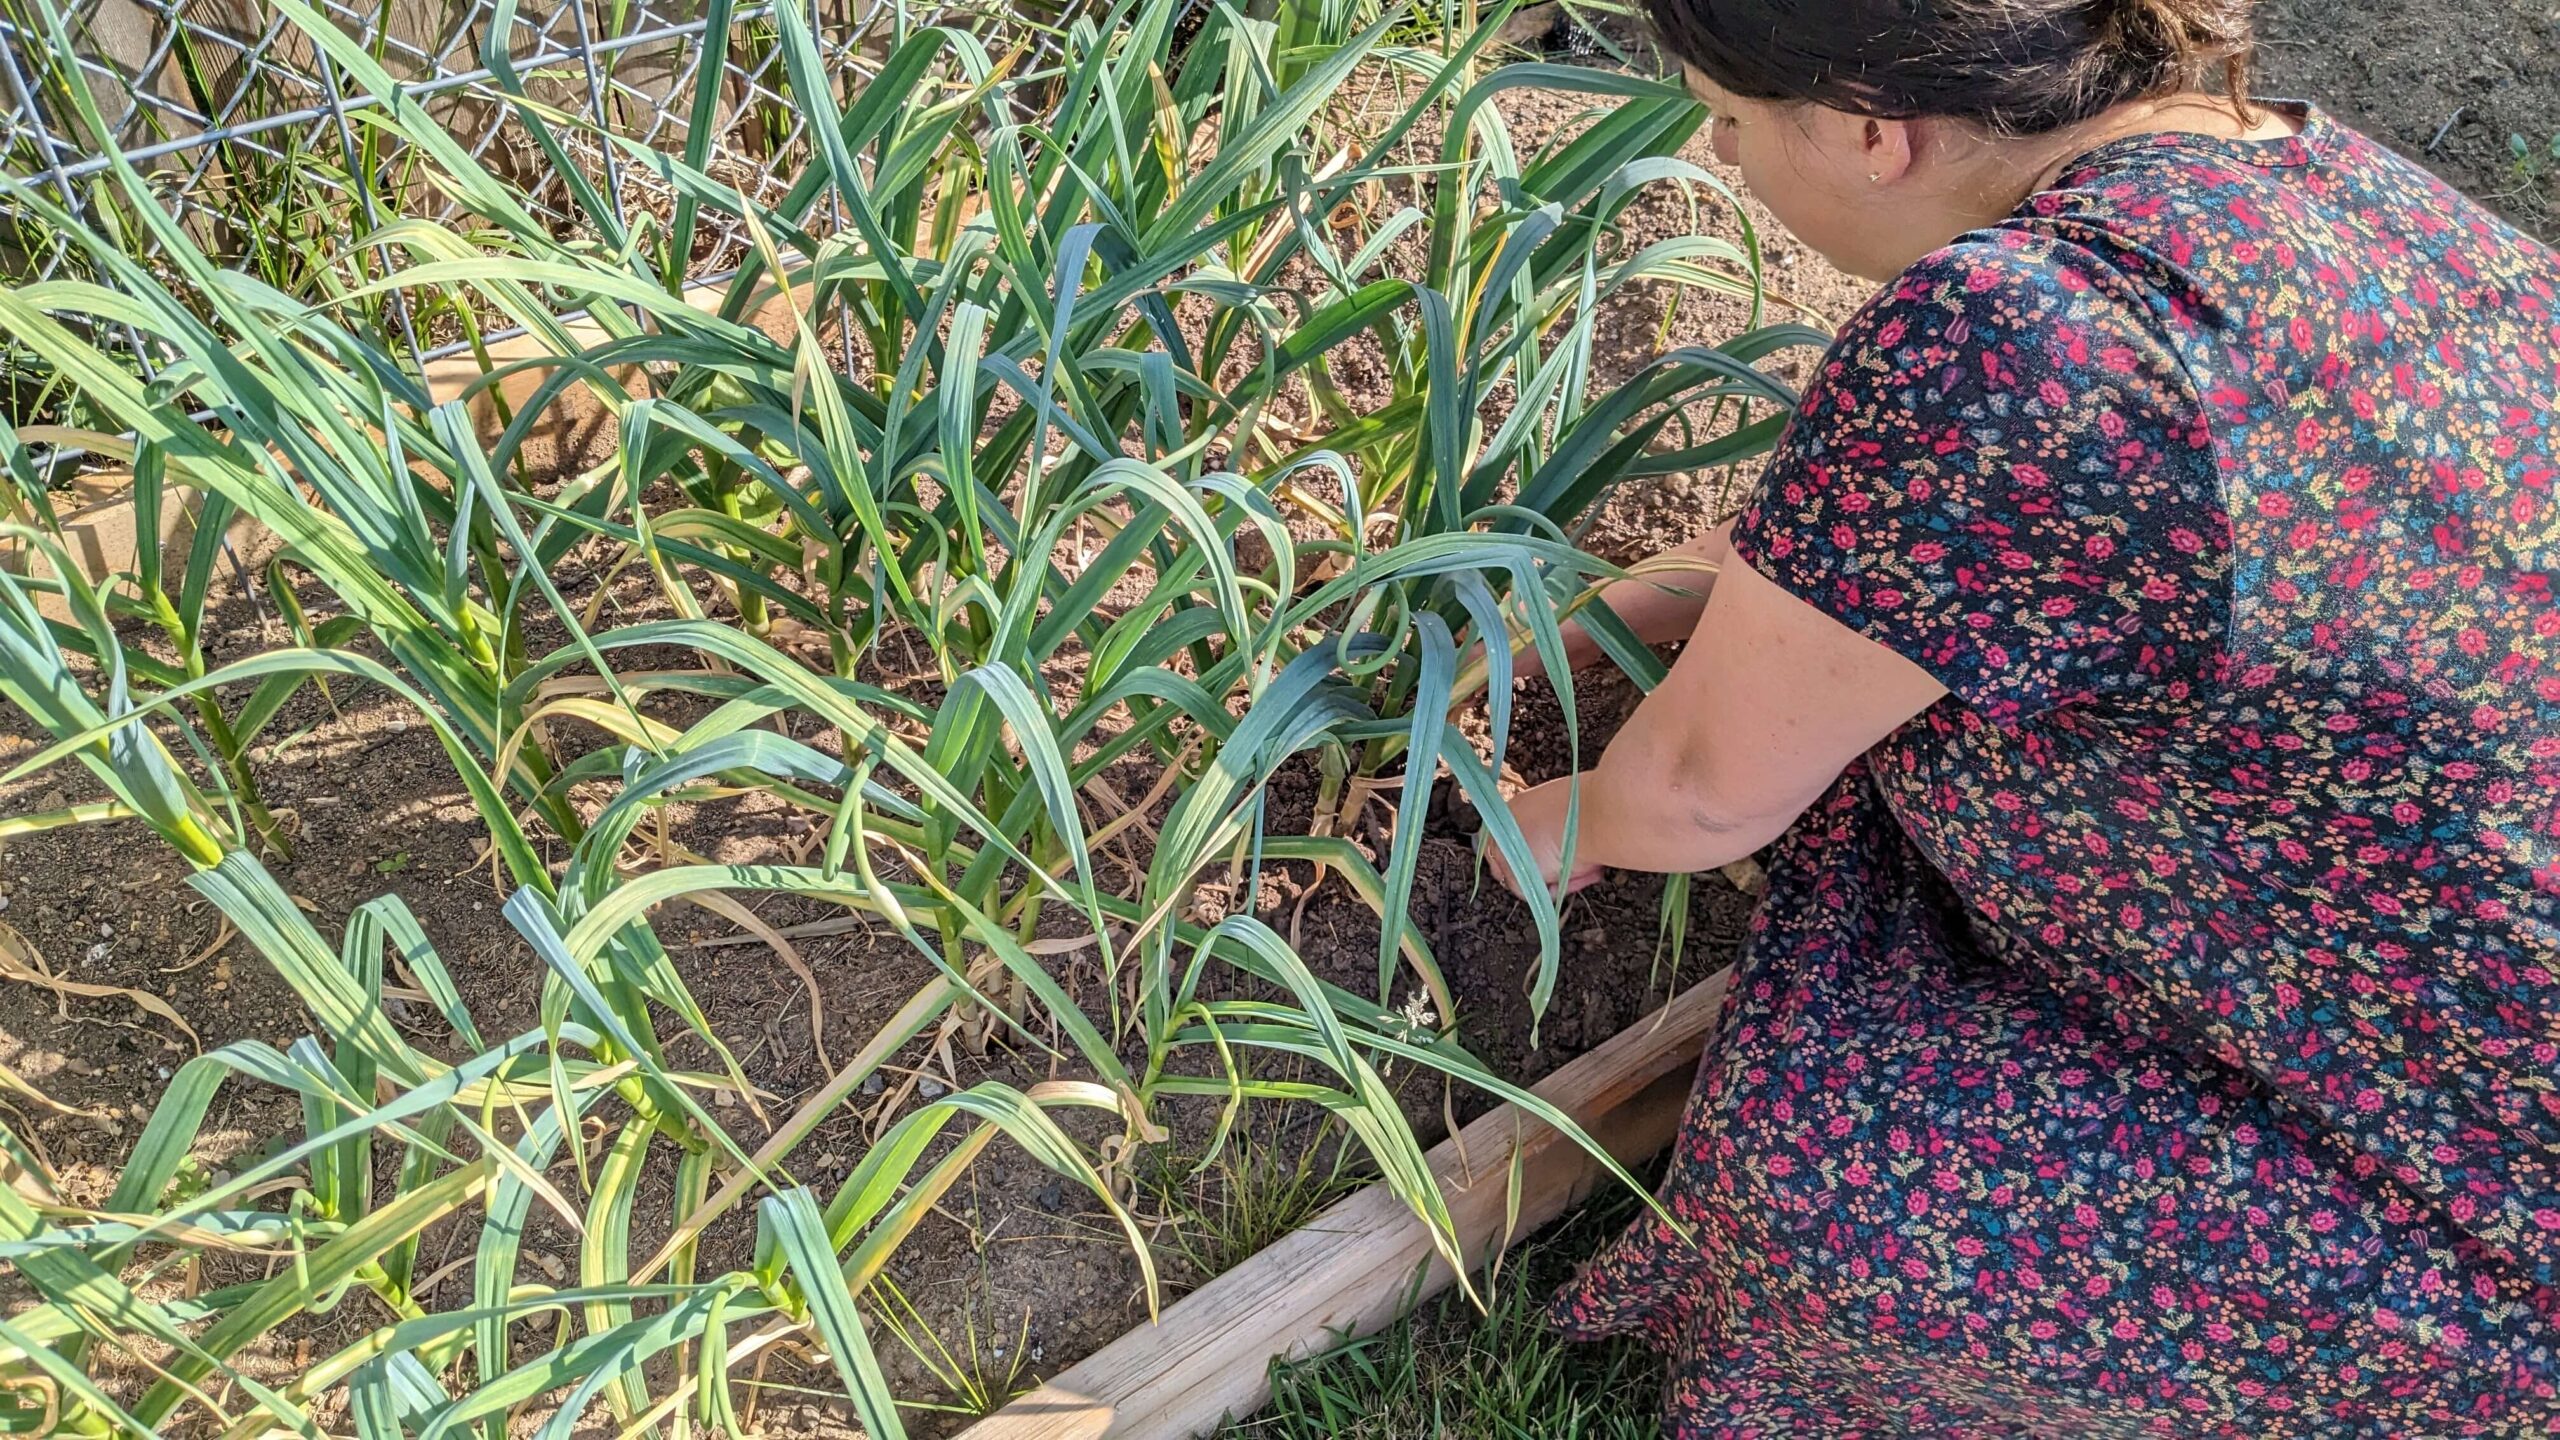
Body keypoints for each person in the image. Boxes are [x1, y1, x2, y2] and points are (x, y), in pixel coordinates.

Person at [1483, 0, 2560, 1432]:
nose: (1716, 150)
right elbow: (1976, 517)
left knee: (1841, 1197)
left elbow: (1696, 794)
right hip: (2470, 970)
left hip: (2474, 1193)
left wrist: (1522, 820)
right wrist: (1618, 610)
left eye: (1731, 117)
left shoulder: (2008, 336)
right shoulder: (2312, 177)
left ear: (1874, 131)